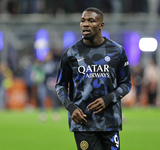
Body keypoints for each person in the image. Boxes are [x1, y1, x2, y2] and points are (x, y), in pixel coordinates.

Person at [55, 7, 131, 150]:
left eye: (91, 21)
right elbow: (60, 85)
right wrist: (71, 108)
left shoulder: (117, 51)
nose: (85, 24)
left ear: (101, 25)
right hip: (83, 122)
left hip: (110, 122)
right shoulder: (71, 53)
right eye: (82, 21)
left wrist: (108, 99)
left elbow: (126, 84)